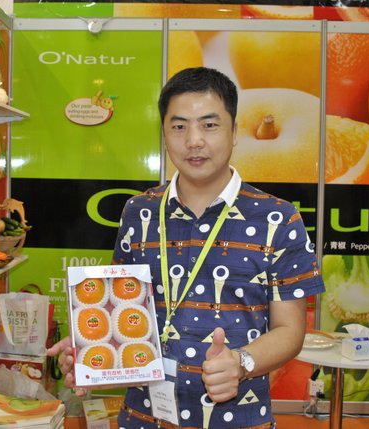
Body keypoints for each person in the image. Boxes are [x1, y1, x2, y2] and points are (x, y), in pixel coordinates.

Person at [48, 67, 324, 429]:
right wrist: (93, 350)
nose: (194, 140)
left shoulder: (278, 218)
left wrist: (241, 362)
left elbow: (291, 330)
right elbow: (122, 307)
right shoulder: (139, 212)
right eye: (179, 126)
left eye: (209, 125)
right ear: (164, 134)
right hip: (144, 416)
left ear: (234, 132)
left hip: (238, 419)